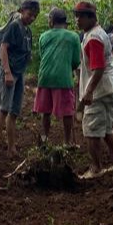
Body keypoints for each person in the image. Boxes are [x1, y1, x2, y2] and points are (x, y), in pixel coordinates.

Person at [74, 1, 113, 178]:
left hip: (98, 91)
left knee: (92, 130)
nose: (77, 20)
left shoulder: (94, 38)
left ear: (91, 17)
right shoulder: (96, 34)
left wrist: (88, 92)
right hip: (107, 88)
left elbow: (98, 68)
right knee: (106, 130)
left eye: (81, 16)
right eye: (76, 16)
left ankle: (95, 168)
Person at [0, 0, 40, 162]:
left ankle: (12, 147)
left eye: (35, 16)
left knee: (14, 112)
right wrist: (7, 72)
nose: (32, 18)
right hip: (11, 73)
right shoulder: (14, 26)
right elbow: (3, 48)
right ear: (22, 10)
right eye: (30, 14)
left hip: (20, 73)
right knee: (3, 110)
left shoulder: (27, 31)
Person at [33, 8, 81, 146]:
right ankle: (67, 142)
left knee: (45, 111)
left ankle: (45, 138)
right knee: (67, 112)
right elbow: (76, 61)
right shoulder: (73, 37)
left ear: (52, 21)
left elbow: (43, 56)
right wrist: (66, 67)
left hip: (44, 77)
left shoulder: (44, 36)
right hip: (63, 78)